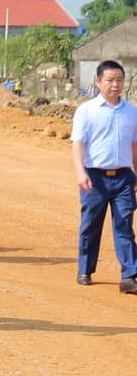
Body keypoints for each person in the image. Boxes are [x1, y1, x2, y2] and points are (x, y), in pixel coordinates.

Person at [70, 59, 137, 294]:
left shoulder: (132, 111)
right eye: (109, 80)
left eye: (119, 80)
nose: (115, 85)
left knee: (124, 226)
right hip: (94, 178)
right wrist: (80, 171)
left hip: (124, 178)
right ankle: (85, 269)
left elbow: (134, 146)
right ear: (98, 82)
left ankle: (129, 275)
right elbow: (78, 143)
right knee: (91, 225)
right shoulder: (86, 111)